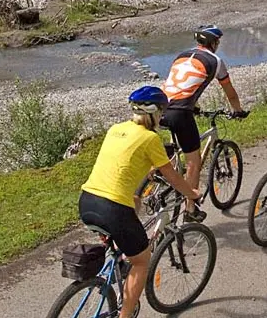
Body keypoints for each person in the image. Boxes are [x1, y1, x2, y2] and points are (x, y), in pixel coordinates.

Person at [79, 86, 200, 318]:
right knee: (142, 261)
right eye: (162, 111)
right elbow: (172, 176)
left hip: (88, 200)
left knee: (132, 207)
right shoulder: (150, 137)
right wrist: (191, 194)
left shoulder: (116, 129)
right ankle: (125, 315)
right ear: (154, 113)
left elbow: (124, 163)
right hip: (112, 208)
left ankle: (119, 263)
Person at [161, 24, 247, 222]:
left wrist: (194, 106)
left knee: (174, 151)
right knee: (193, 161)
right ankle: (190, 209)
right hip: (180, 112)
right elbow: (230, 92)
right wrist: (238, 111)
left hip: (161, 108)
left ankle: (157, 180)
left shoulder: (181, 55)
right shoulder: (216, 61)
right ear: (214, 43)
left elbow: (184, 85)